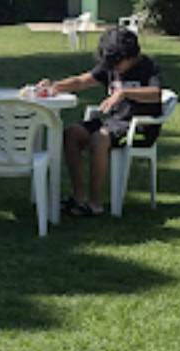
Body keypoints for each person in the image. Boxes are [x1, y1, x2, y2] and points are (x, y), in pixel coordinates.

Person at [37, 26, 162, 217]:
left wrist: (124, 93)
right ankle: (79, 197)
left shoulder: (147, 67)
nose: (114, 68)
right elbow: (82, 81)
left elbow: (156, 94)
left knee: (99, 138)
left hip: (138, 127)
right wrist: (55, 86)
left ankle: (95, 204)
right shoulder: (110, 65)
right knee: (71, 133)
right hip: (113, 122)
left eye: (118, 63)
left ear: (131, 56)